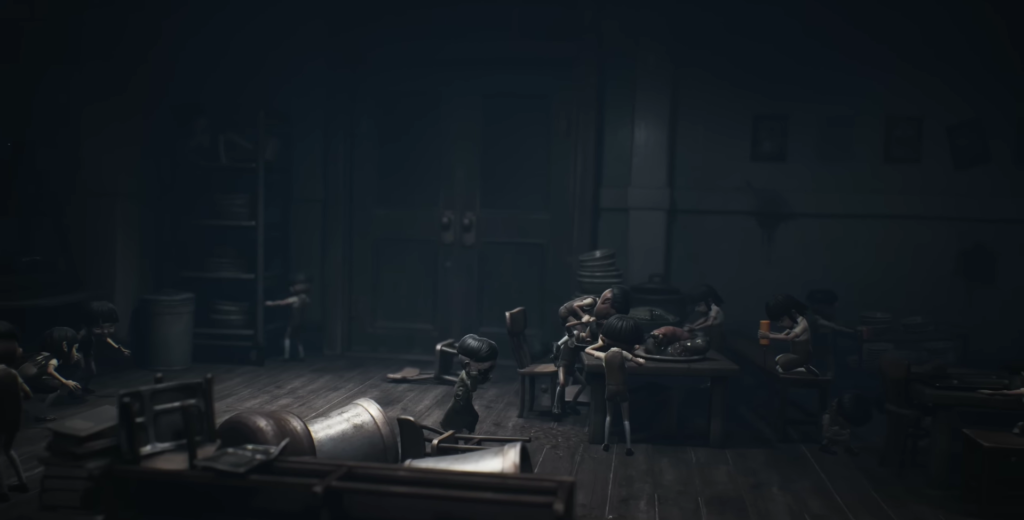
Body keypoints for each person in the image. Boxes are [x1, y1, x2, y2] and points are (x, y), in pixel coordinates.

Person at [554, 285, 631, 415]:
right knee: (579, 334)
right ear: (605, 302)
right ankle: (556, 407)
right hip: (566, 313)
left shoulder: (597, 316)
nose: (606, 320)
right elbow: (575, 307)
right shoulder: (591, 302)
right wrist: (583, 317)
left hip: (573, 359)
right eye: (607, 316)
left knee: (583, 334)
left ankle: (571, 405)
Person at [584, 315, 646, 456]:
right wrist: (638, 356)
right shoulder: (623, 353)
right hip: (622, 389)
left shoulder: (606, 356)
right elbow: (640, 362)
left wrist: (600, 344)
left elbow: (588, 350)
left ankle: (606, 443)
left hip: (609, 389)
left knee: (608, 416)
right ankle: (628, 447)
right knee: (626, 419)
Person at [19, 327, 83, 422]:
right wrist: (65, 382)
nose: (76, 353)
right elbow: (50, 370)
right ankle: (40, 414)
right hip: (25, 381)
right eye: (75, 349)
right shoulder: (53, 359)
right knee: (55, 387)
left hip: (20, 379)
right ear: (65, 346)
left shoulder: (44, 354)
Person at [440, 334, 499, 434]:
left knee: (469, 419)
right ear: (468, 364)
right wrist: (475, 374)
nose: (490, 364)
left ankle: (465, 436)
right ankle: (460, 437)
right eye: (483, 362)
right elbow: (473, 388)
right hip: (460, 403)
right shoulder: (466, 375)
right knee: (462, 420)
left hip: (465, 401)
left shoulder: (470, 374)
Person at [0, 322, 31, 502]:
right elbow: (28, 395)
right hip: (14, 421)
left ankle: (2, 491)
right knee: (8, 450)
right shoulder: (13, 374)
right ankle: (22, 482)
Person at [77, 301, 131, 394]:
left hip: (88, 351)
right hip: (79, 352)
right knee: (81, 370)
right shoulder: (83, 334)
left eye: (110, 327)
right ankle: (74, 389)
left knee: (91, 371)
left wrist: (119, 348)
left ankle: (84, 387)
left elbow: (106, 339)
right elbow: (76, 342)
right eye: (99, 328)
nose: (105, 332)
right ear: (86, 325)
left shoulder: (96, 335)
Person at [758, 294, 819, 375]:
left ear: (793, 313)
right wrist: (769, 333)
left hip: (802, 356)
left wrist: (768, 336)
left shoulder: (802, 325)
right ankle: (798, 367)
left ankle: (805, 369)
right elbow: (782, 335)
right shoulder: (794, 324)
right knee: (777, 360)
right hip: (795, 354)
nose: (779, 325)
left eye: (781, 321)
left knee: (781, 367)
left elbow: (788, 338)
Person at [265, 273, 312, 361]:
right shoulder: (306, 299)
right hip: (301, 320)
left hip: (294, 320)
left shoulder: (296, 298)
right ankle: (301, 355)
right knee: (298, 338)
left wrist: (270, 303)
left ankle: (286, 356)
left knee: (287, 336)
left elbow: (282, 302)